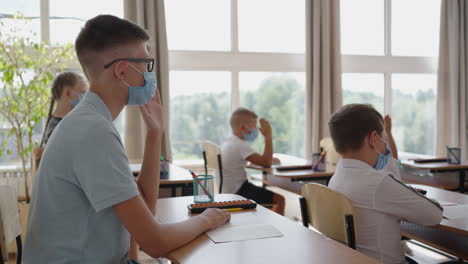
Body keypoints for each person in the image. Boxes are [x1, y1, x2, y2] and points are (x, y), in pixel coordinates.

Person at [23, 15, 230, 264]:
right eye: (147, 65)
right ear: (123, 70)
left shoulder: (91, 121)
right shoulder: (93, 132)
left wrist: (154, 135)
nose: (149, 75)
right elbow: (155, 243)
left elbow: (144, 209)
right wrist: (207, 219)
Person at [327, 104, 443, 264]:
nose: (386, 147)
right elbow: (435, 215)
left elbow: (394, 167)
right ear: (373, 138)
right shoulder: (377, 182)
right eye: (385, 139)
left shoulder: (336, 178)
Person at [221, 108, 285, 215]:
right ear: (243, 127)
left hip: (229, 189)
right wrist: (268, 136)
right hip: (239, 191)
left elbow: (259, 160)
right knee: (279, 200)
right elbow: (266, 163)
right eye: (255, 127)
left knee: (267, 201)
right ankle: (277, 229)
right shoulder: (240, 144)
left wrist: (265, 159)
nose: (258, 130)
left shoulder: (229, 142)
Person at [32, 72, 88, 171]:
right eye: (83, 93)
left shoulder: (63, 124)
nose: (86, 98)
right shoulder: (57, 129)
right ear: (67, 93)